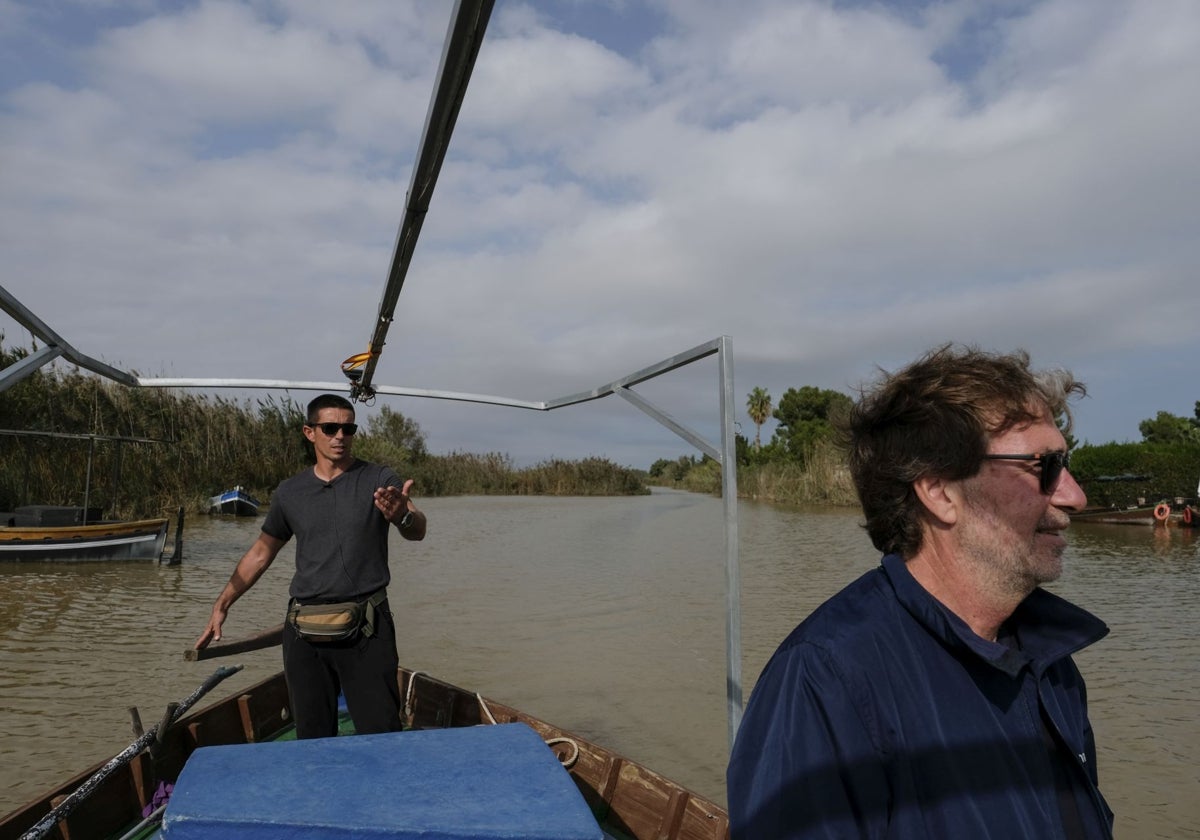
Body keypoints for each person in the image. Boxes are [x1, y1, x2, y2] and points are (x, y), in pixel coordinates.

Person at [727, 345, 1114, 839]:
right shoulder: (825, 680)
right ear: (939, 491)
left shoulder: (1052, 664)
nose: (1074, 496)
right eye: (1044, 466)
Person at [194, 393, 427, 738]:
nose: (340, 437)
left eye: (348, 429)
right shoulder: (290, 492)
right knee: (312, 739)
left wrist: (403, 516)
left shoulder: (379, 478)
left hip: (367, 629)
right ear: (309, 432)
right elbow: (260, 553)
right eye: (330, 427)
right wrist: (221, 604)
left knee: (382, 736)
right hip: (304, 633)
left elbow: (418, 529)